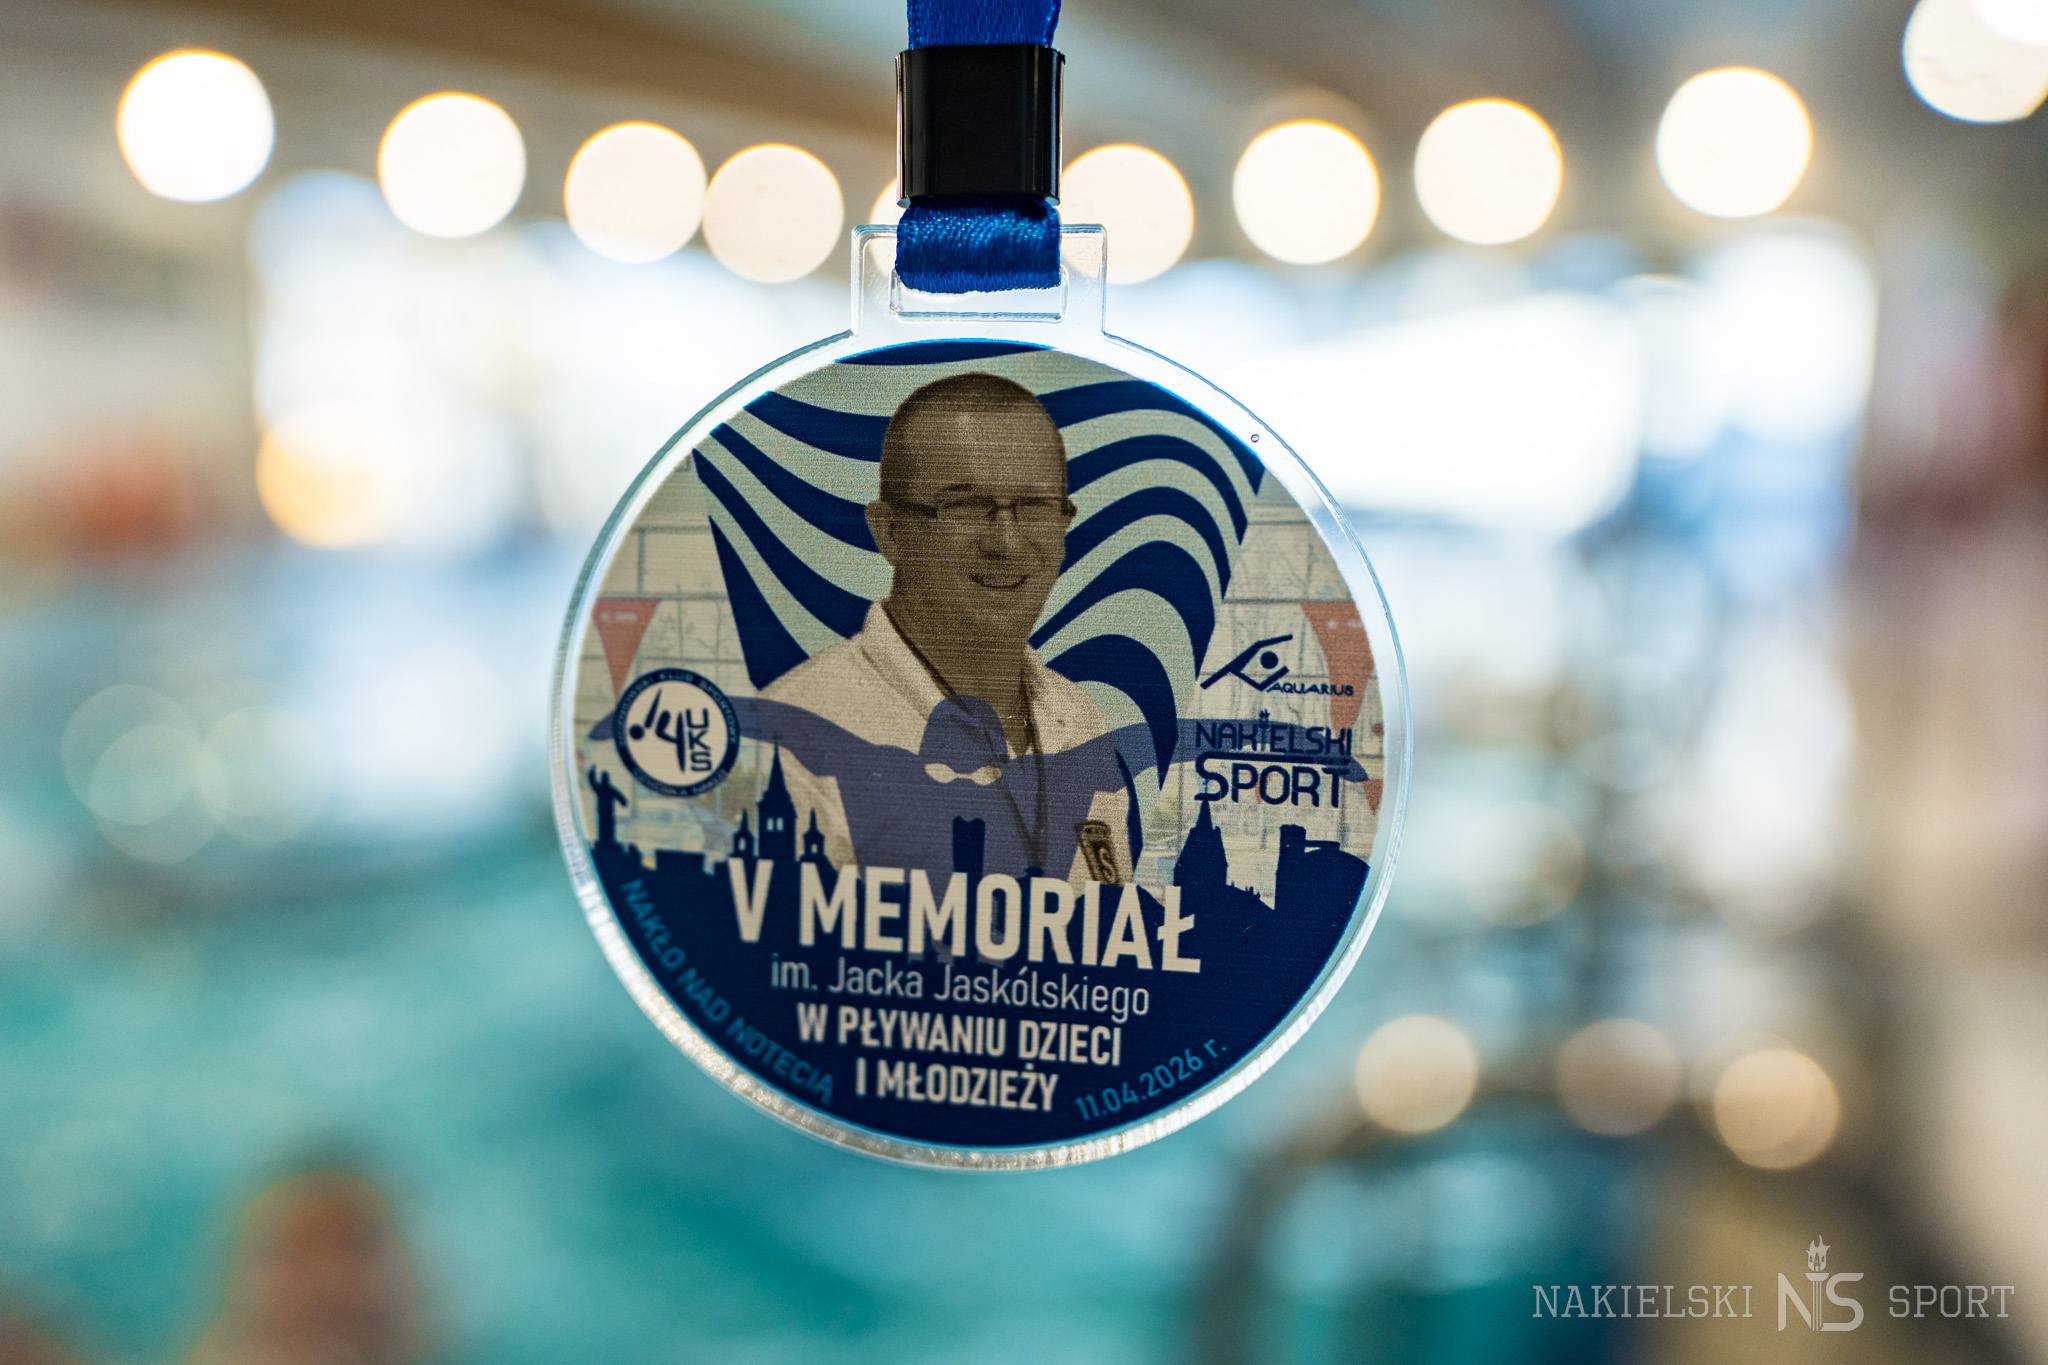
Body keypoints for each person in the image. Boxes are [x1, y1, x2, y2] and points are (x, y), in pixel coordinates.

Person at [760, 372, 1131, 884]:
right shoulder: (796, 735)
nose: (1006, 543)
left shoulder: (1080, 720)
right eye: (966, 507)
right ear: (890, 532)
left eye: (1036, 507)